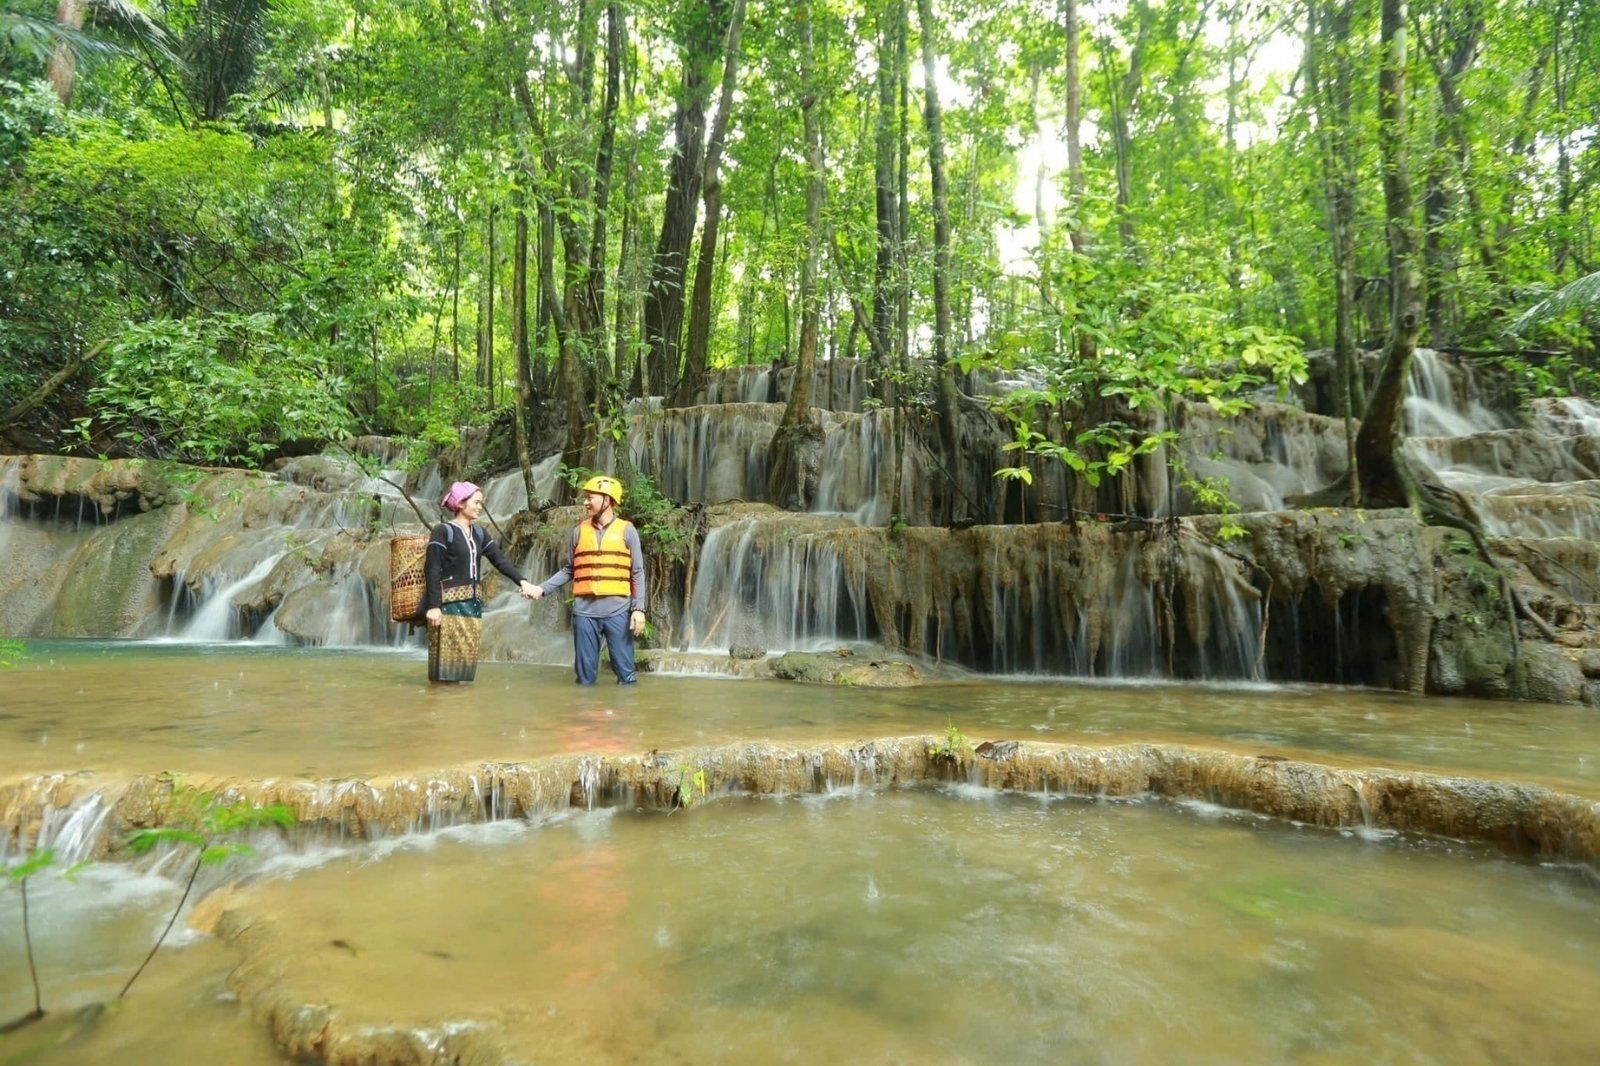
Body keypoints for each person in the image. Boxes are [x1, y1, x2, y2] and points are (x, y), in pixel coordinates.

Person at [530, 474, 647, 685]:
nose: (585, 503)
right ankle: (584, 705)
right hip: (585, 613)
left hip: (618, 611)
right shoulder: (578, 531)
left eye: (590, 497)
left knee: (626, 676)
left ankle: (627, 706)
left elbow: (637, 572)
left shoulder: (627, 531)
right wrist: (542, 589)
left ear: (607, 500)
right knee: (585, 678)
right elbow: (569, 569)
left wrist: (638, 609)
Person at [423, 481, 538, 683]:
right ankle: (442, 700)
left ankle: (456, 702)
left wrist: (523, 582)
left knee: (463, 668)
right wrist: (433, 606)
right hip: (449, 607)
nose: (479, 507)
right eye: (476, 502)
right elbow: (432, 568)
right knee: (446, 668)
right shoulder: (443, 531)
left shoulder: (479, 533)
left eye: (481, 503)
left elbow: (500, 560)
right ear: (461, 504)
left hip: (473, 607)